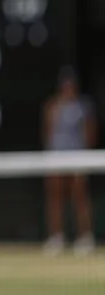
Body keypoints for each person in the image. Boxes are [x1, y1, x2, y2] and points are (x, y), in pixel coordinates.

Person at [43, 67, 97, 256]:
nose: (68, 89)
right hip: (57, 158)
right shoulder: (52, 106)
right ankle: (57, 237)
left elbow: (90, 132)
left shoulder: (84, 107)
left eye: (71, 85)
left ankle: (85, 237)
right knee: (55, 197)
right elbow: (48, 132)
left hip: (77, 158)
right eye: (65, 85)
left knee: (80, 196)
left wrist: (84, 156)